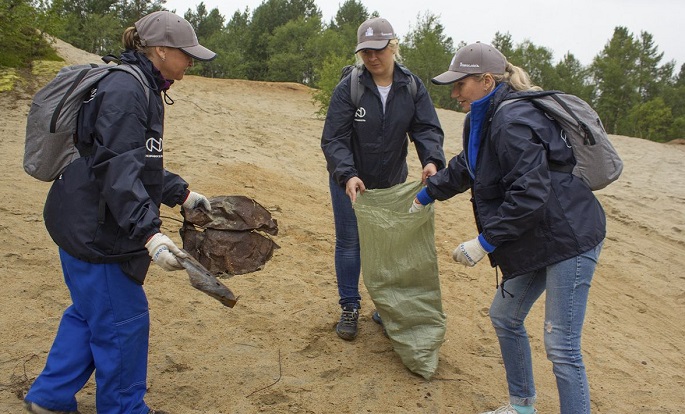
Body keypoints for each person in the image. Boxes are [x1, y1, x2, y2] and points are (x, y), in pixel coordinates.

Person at [23, 11, 216, 414]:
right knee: (124, 322)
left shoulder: (140, 85)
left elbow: (134, 159)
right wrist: (149, 234)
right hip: (96, 230)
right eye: (186, 53)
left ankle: (50, 398)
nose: (191, 61)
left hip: (77, 218)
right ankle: (124, 408)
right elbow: (116, 168)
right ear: (160, 50)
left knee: (91, 313)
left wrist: (181, 194)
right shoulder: (128, 90)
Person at [410, 42, 606, 414]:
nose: (454, 93)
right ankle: (522, 406)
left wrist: (484, 242)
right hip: (539, 235)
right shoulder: (485, 117)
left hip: (570, 237)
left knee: (561, 346)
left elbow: (529, 194)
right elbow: (470, 165)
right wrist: (426, 194)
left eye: (460, 84)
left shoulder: (512, 119)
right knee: (505, 315)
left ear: (486, 81)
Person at [321, 17, 446, 341]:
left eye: (378, 50)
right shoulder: (350, 87)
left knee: (389, 247)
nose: (372, 57)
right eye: (366, 51)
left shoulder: (411, 87)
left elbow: (426, 129)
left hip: (391, 182)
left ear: (393, 47)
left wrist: (431, 160)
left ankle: (385, 308)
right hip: (350, 182)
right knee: (350, 243)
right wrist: (348, 174)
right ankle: (350, 306)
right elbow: (334, 138)